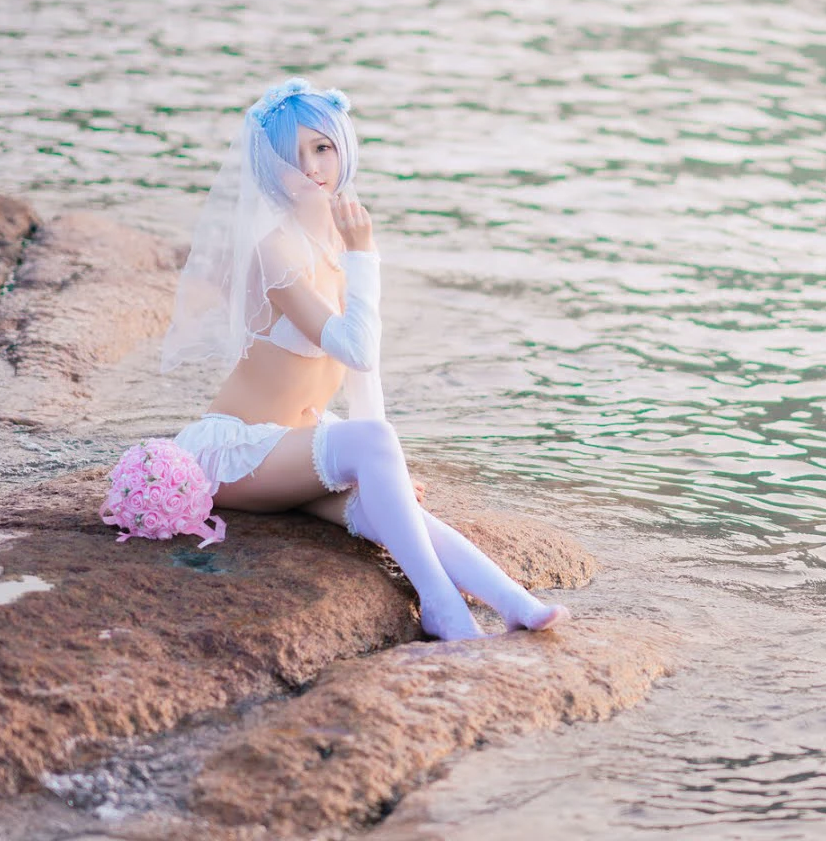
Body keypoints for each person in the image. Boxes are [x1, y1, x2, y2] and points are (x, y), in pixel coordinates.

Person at [159, 78, 570, 641]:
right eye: (292, 155)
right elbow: (355, 346)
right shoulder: (275, 248)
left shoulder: (336, 238)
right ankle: (440, 605)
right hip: (236, 451)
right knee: (373, 444)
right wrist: (364, 255)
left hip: (295, 448)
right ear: (269, 168)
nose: (311, 167)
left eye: (322, 147)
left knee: (394, 511)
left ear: (344, 148)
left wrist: (385, 468)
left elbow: (361, 371)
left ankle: (513, 601)